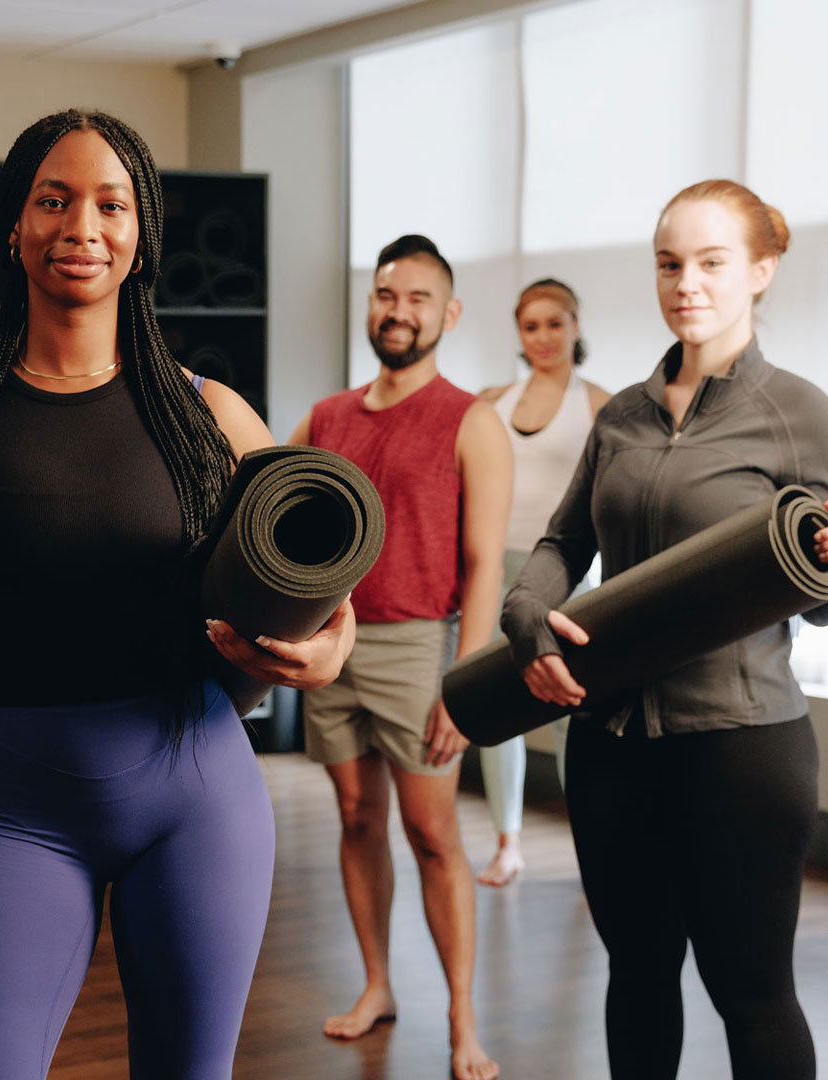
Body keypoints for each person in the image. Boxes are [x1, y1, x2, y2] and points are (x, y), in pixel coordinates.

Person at [0, 108, 354, 1079]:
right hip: (21, 809)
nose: (81, 227)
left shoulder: (212, 417)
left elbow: (321, 600)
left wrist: (324, 650)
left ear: (141, 237)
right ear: (14, 226)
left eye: (110, 203)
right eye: (53, 200)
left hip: (200, 801)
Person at [503, 180, 828, 1079]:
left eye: (712, 263)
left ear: (761, 270)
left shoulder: (801, 414)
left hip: (742, 749)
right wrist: (527, 619)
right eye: (670, 263)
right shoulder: (622, 417)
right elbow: (564, 541)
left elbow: (825, 600)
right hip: (610, 744)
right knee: (636, 974)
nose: (688, 284)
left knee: (749, 990)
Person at [290, 234, 505, 1080]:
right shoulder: (328, 416)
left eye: (418, 298)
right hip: (327, 641)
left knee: (431, 832)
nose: (399, 311)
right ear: (370, 306)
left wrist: (467, 682)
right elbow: (278, 513)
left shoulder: (471, 420)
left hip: (420, 647)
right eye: (386, 295)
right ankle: (377, 984)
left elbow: (486, 562)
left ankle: (462, 1020)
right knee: (355, 818)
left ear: (447, 315)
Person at [470, 279, 612, 887]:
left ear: (576, 327)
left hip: (566, 576)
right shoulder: (489, 401)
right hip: (496, 570)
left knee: (573, 710)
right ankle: (508, 843)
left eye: (556, 324)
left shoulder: (604, 405)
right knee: (502, 706)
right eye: (531, 326)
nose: (544, 337)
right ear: (519, 335)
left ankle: (595, 846)